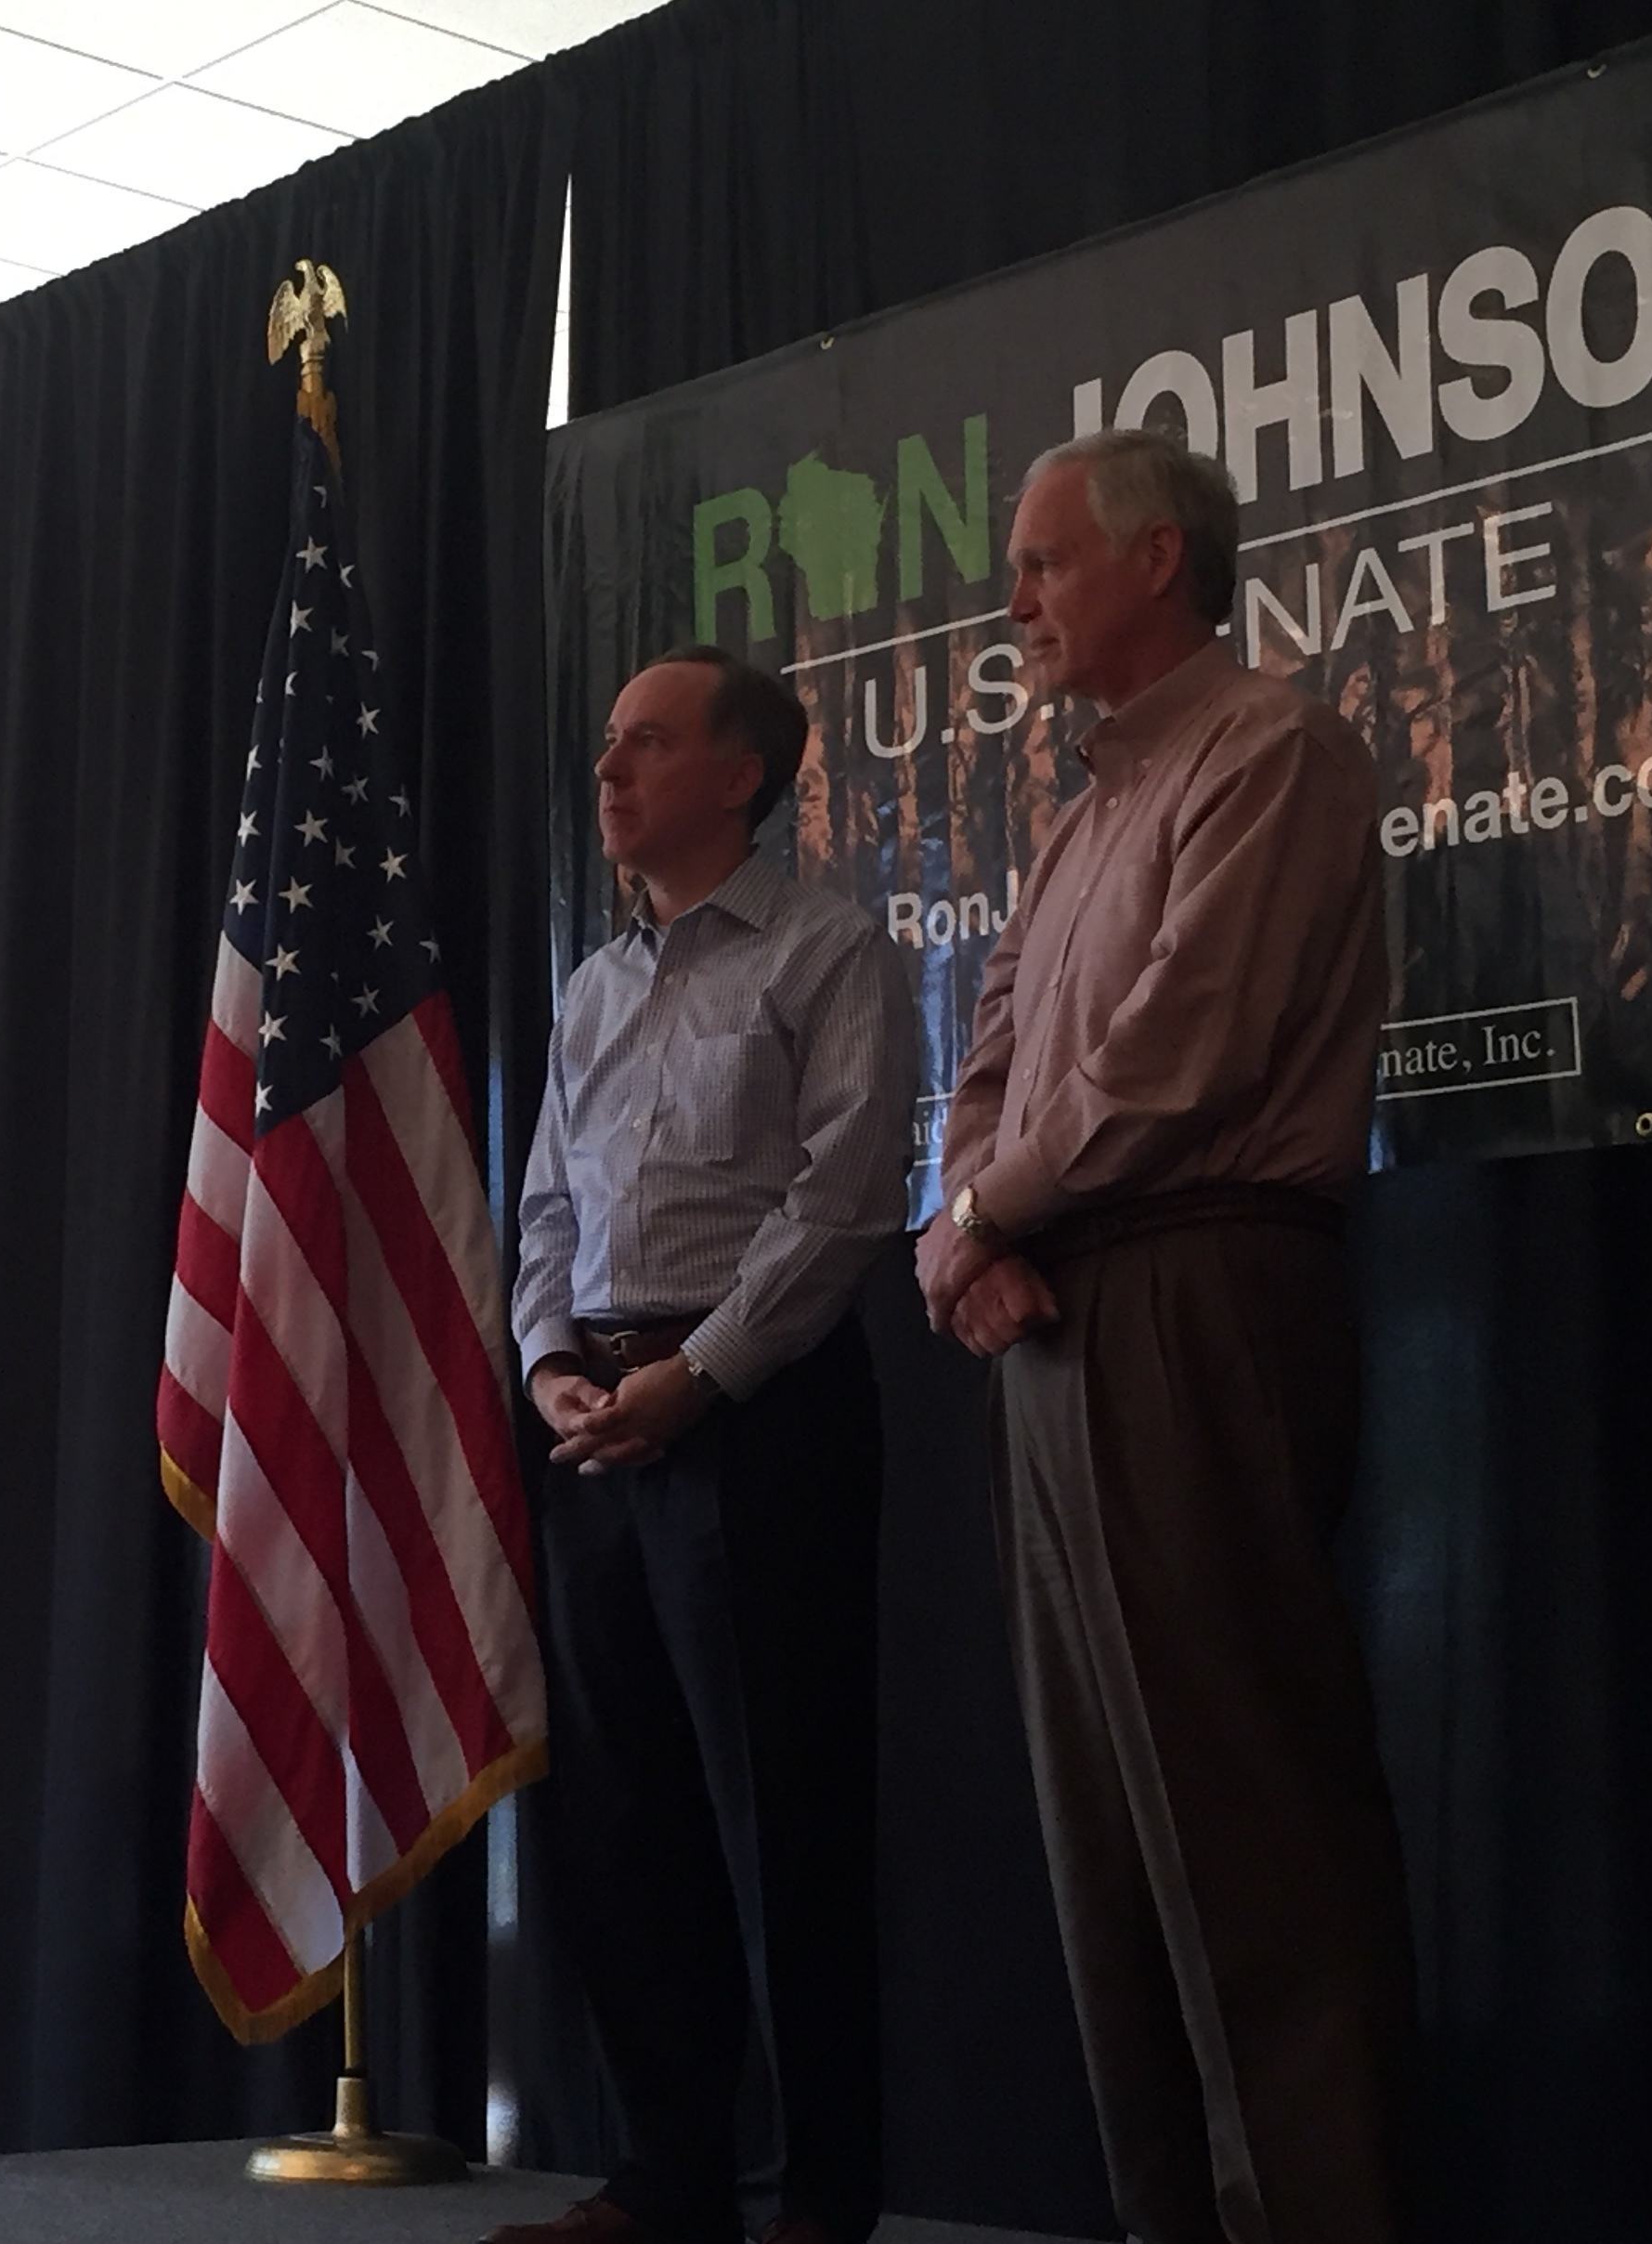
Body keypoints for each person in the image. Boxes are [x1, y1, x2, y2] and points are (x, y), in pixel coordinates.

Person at [918, 428, 1414, 2244]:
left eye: (1044, 561)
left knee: (1246, 1834)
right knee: (1108, 1848)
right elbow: (982, 1076)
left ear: (1154, 563)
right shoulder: (1074, 815)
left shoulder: (1268, 751)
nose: (1017, 598)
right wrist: (968, 1237)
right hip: (1053, 1316)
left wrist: (980, 1217)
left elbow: (1177, 1057)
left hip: (1206, 1291)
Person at [496, 646, 917, 2244]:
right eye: (604, 743)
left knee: (783, 1816)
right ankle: (665, 2175)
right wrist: (545, 1365)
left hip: (758, 1418)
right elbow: (544, 1200)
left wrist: (702, 1375)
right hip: (596, 1426)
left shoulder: (826, 952)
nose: (606, 771)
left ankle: (820, 2193)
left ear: (737, 776)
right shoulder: (591, 982)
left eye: (646, 744)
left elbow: (842, 1199)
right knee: (620, 1819)